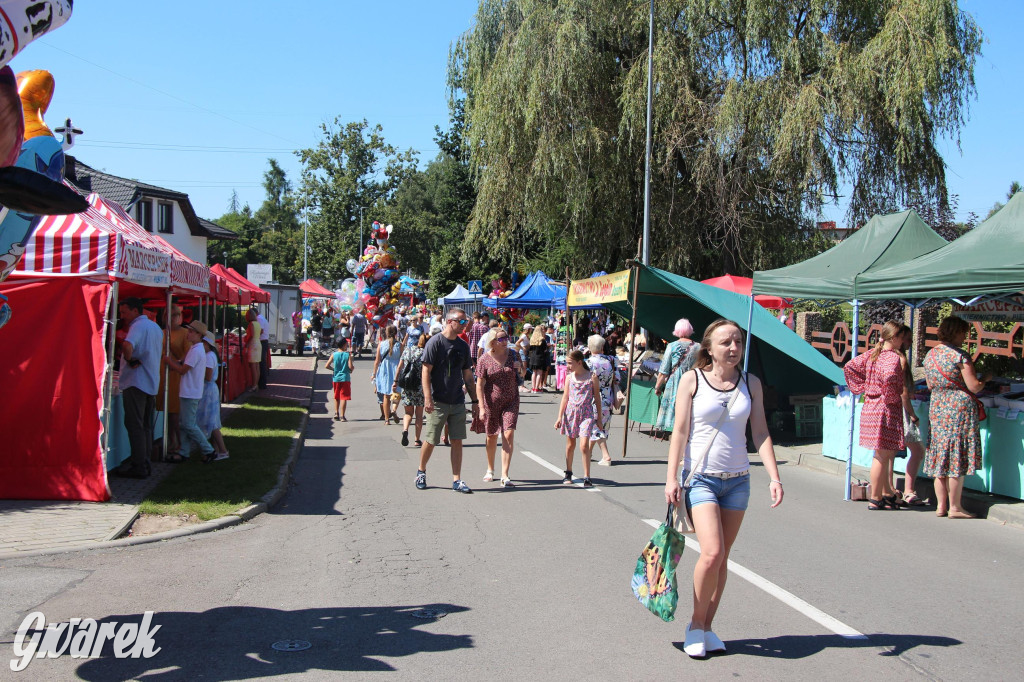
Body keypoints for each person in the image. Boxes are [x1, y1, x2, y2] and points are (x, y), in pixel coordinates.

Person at [664, 319, 784, 658]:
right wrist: (671, 478)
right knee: (712, 552)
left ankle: (708, 626)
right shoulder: (693, 380)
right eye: (726, 342)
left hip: (738, 481)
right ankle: (695, 625)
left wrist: (775, 477)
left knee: (723, 558)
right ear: (709, 349)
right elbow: (681, 432)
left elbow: (759, 432)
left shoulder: (751, 383)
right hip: (700, 478)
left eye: (738, 342)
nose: (733, 348)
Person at [924, 316, 990, 519]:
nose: (964, 336)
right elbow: (974, 387)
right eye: (963, 332)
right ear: (955, 332)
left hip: (938, 407)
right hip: (959, 409)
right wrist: (985, 380)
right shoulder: (960, 356)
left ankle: (940, 506)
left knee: (941, 457)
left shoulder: (930, 355)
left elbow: (928, 385)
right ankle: (955, 507)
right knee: (955, 459)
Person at [843, 321, 909, 510]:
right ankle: (875, 497)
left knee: (883, 453)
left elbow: (850, 366)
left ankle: (884, 493)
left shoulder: (873, 354)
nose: (903, 341)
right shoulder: (892, 358)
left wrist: (864, 388)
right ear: (894, 337)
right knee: (882, 455)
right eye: (901, 337)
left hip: (871, 406)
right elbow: (888, 377)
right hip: (884, 407)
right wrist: (889, 395)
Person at [415, 308, 480, 493]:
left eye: (466, 321)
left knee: (457, 440)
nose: (465, 324)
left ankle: (457, 480)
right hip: (438, 400)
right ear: (450, 321)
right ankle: (421, 471)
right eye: (461, 321)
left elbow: (468, 376)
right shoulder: (435, 342)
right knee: (431, 439)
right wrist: (427, 398)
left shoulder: (463, 346)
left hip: (457, 400)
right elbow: (425, 371)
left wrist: (475, 401)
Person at [115, 298, 162, 478]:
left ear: (135, 311)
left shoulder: (138, 327)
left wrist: (129, 359)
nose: (122, 316)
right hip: (150, 382)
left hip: (137, 382)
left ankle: (139, 465)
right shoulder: (154, 327)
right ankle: (145, 463)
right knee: (146, 426)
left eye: (124, 312)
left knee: (135, 425)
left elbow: (127, 345)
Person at [163, 321, 218, 463]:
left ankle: (208, 449)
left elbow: (183, 370)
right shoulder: (195, 349)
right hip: (188, 390)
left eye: (191, 332)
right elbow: (185, 365)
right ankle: (184, 452)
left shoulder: (197, 350)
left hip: (190, 392)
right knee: (184, 424)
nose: (188, 334)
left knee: (189, 424)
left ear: (199, 335)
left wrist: (169, 361)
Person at [476, 327, 523, 487]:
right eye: (501, 338)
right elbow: (479, 385)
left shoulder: (514, 354)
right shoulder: (484, 359)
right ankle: (490, 469)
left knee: (508, 434)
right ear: (493, 342)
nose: (505, 341)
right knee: (491, 436)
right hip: (491, 402)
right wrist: (481, 407)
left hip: (511, 400)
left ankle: (505, 474)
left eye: (506, 337)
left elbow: (523, 374)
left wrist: (520, 369)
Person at [554, 349, 602, 487]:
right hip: (571, 413)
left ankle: (587, 476)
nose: (568, 366)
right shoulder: (570, 377)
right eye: (566, 363)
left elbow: (597, 398)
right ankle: (568, 472)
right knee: (570, 444)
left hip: (586, 413)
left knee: (584, 445)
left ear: (579, 362)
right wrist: (559, 417)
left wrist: (598, 418)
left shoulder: (591, 377)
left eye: (570, 363)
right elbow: (565, 398)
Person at [896, 328, 927, 506]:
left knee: (888, 453)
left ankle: (890, 490)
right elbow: (904, 394)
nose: (910, 344)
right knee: (917, 450)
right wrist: (913, 415)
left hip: (890, 410)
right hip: (902, 412)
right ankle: (908, 490)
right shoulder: (900, 360)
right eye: (908, 340)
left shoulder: (885, 357)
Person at [654, 318, 700, 434]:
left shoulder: (672, 346)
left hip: (674, 381)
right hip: (692, 380)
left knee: (673, 407)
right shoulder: (698, 347)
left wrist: (658, 387)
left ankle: (677, 433)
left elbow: (663, 370)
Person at [156, 305, 190, 460]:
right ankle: (170, 441)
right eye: (170, 315)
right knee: (167, 412)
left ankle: (179, 442)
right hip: (162, 374)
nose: (173, 317)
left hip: (176, 374)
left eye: (176, 315)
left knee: (175, 413)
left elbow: (187, 356)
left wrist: (173, 361)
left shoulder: (185, 334)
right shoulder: (161, 332)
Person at [196, 326, 229, 460]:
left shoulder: (209, 357)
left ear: (207, 344)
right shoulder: (211, 355)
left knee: (211, 423)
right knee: (212, 422)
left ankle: (222, 450)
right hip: (210, 390)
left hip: (208, 391)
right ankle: (216, 449)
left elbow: (208, 376)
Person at [587, 334, 619, 466]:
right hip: (608, 396)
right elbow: (618, 378)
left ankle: (606, 456)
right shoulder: (611, 360)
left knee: (596, 426)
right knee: (602, 424)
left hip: (594, 397)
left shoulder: (589, 363)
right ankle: (587, 452)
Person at [394, 332, 428, 447]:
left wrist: (395, 382)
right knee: (419, 414)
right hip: (419, 386)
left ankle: (405, 429)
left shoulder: (408, 350)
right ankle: (417, 439)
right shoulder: (425, 353)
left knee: (408, 412)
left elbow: (399, 367)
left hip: (407, 384)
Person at [372, 325, 402, 424]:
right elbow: (403, 360)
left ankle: (386, 419)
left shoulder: (382, 344)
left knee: (386, 396)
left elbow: (377, 361)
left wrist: (374, 373)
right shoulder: (400, 345)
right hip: (396, 369)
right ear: (396, 333)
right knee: (396, 393)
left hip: (384, 370)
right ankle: (393, 409)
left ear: (387, 333)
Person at [327, 338, 354, 421]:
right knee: (344, 397)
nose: (347, 346)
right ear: (343, 345)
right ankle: (342, 416)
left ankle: (336, 413)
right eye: (346, 344)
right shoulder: (347, 355)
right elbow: (350, 367)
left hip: (336, 378)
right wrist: (352, 369)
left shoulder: (334, 354)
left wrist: (333, 369)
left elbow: (327, 365)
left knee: (336, 396)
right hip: (345, 378)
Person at [244, 309, 262, 393]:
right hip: (258, 343)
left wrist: (246, 344)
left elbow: (251, 335)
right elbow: (261, 332)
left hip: (253, 344)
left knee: (253, 366)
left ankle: (254, 385)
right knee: (257, 365)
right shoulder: (257, 323)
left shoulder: (251, 324)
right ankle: (256, 384)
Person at [528, 325, 549, 393]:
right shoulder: (542, 340)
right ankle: (537, 388)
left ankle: (533, 388)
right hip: (540, 357)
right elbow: (545, 349)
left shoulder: (532, 339)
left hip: (533, 357)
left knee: (534, 373)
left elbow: (530, 349)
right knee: (539, 372)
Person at [256, 308, 270, 389]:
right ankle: (262, 382)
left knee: (261, 363)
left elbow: (260, 331)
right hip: (263, 342)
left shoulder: (259, 318)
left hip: (262, 342)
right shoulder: (262, 318)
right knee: (262, 362)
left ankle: (262, 383)